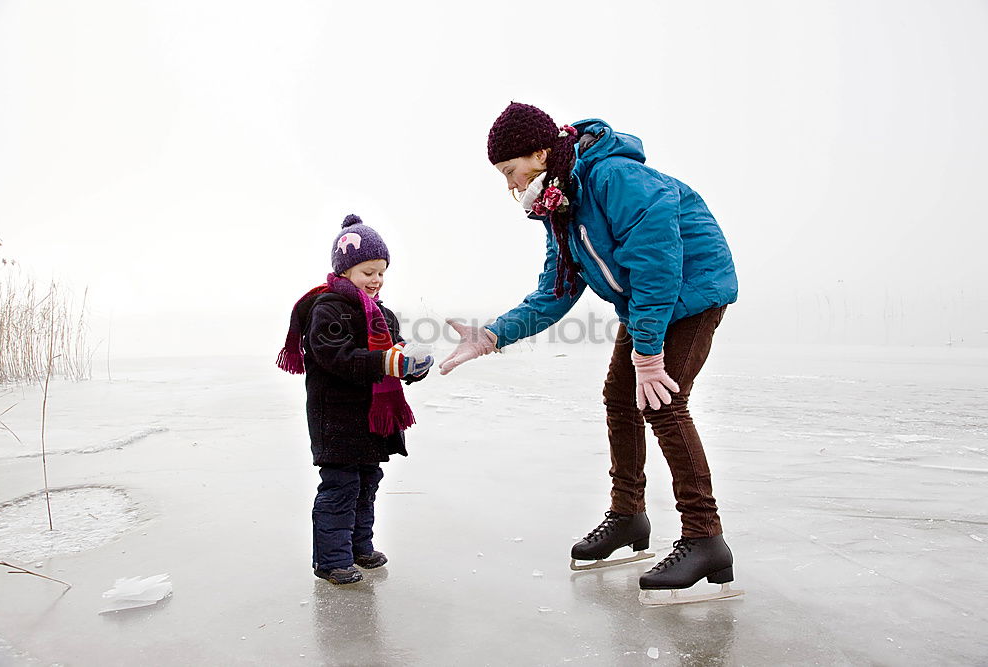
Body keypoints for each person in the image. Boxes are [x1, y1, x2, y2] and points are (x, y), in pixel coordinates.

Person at [439, 102, 739, 599]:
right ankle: (628, 517)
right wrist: (492, 336)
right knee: (620, 399)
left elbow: (657, 264)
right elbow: (556, 290)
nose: (510, 186)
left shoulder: (614, 178)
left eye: (510, 172)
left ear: (539, 154)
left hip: (692, 291)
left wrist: (648, 355)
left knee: (663, 401)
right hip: (646, 301)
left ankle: (706, 538)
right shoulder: (563, 204)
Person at [277, 214, 433, 585]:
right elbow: (335, 356)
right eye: (368, 272)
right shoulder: (327, 308)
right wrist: (386, 360)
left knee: (367, 483)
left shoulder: (383, 315)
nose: (376, 280)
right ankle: (331, 561)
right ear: (345, 270)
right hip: (336, 418)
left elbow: (392, 359)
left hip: (370, 421)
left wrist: (411, 366)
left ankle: (359, 547)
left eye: (381, 272)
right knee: (340, 487)